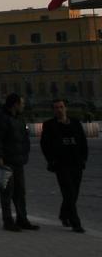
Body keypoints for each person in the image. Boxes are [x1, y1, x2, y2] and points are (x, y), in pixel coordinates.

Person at [0, 93, 38, 232]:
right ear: (15, 104)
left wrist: (25, 153)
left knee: (20, 192)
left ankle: (22, 219)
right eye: (22, 103)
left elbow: (24, 137)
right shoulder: (0, 117)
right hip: (4, 161)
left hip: (18, 160)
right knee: (6, 193)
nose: (23, 105)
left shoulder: (19, 118)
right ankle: (8, 221)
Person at [40, 98, 87, 233]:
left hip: (76, 163)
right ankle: (75, 223)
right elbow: (45, 145)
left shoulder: (75, 123)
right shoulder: (49, 125)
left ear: (65, 108)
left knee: (74, 193)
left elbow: (83, 142)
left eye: (61, 107)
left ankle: (63, 214)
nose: (59, 110)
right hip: (61, 164)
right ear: (53, 110)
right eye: (56, 107)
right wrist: (51, 160)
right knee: (68, 192)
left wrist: (83, 159)